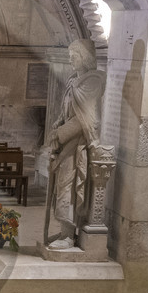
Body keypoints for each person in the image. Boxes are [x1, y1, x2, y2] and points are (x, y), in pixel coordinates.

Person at [41, 38, 104, 251]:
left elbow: (84, 118)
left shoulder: (92, 82)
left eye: (74, 57)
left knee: (69, 185)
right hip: (64, 142)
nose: (71, 61)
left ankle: (69, 236)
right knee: (62, 185)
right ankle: (65, 229)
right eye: (69, 57)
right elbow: (65, 111)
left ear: (85, 58)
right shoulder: (72, 81)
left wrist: (59, 134)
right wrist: (56, 125)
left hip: (77, 144)